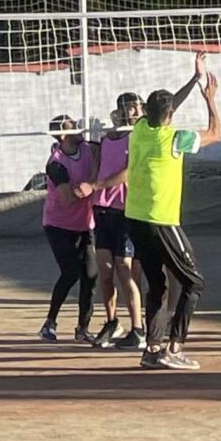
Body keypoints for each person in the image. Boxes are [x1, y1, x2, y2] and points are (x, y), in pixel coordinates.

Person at [124, 54, 221, 369]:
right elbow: (216, 134)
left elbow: (167, 108)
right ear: (168, 116)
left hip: (135, 219)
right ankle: (173, 347)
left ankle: (152, 350)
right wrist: (210, 99)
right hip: (160, 220)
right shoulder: (175, 139)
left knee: (158, 284)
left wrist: (194, 80)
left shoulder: (140, 128)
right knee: (194, 283)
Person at [86, 94, 145, 350]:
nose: (135, 112)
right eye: (130, 108)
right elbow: (97, 166)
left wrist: (98, 184)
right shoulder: (107, 137)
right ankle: (112, 322)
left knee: (125, 268)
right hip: (103, 209)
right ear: (120, 111)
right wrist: (91, 190)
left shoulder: (138, 136)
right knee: (105, 269)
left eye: (138, 108)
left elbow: (129, 170)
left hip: (126, 209)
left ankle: (139, 329)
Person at [39, 115, 98, 343]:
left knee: (90, 275)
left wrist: (92, 183)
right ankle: (50, 322)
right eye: (73, 126)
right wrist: (87, 187)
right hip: (58, 226)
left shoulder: (87, 148)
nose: (78, 129)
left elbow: (104, 153)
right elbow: (67, 199)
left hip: (85, 224)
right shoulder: (55, 163)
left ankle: (83, 328)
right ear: (63, 135)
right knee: (71, 271)